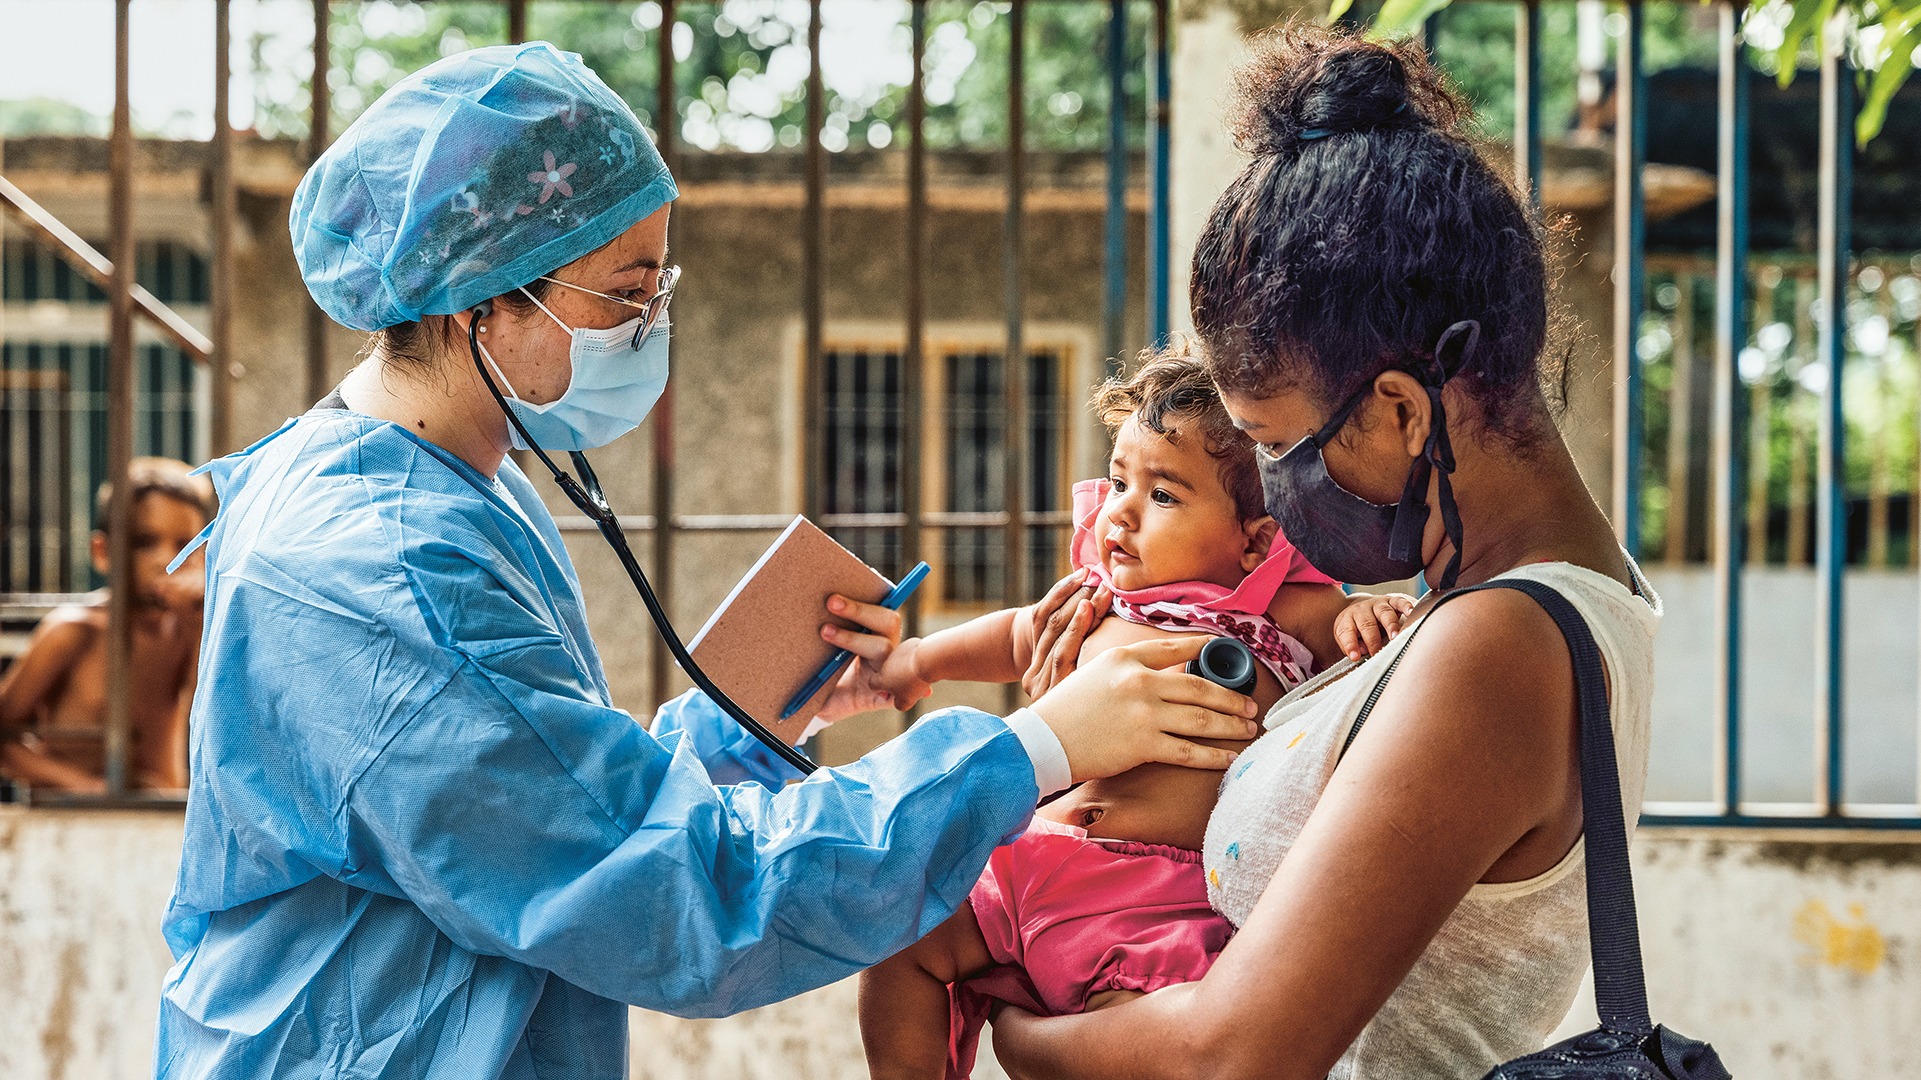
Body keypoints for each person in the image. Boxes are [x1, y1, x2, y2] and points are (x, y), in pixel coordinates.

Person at [155, 42, 1261, 1080]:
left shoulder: (458, 484)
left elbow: (554, 792)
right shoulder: (382, 572)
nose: (649, 326)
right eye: (625, 295)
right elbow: (670, 890)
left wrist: (774, 706)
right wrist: (1034, 747)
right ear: (489, 298)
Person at [985, 26, 1663, 1080]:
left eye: (1269, 446)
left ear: (1397, 409)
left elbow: (1230, 1057)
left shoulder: (1497, 649)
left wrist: (1014, 1024)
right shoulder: (1472, 614)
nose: (1273, 496)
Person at [857, 345, 1412, 1079]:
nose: (1118, 511)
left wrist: (1368, 614)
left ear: (1255, 541)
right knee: (899, 936)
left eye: (1162, 495)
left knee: (1129, 1041)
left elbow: (1353, 632)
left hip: (1148, 906)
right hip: (1024, 867)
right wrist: (914, 663)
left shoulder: (1279, 613)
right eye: (1119, 480)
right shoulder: (1094, 603)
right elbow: (1013, 633)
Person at [0, 457, 211, 794]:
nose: (165, 559)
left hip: (163, 820)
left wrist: (200, 616)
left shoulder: (188, 628)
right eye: (145, 542)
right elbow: (4, 737)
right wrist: (90, 788)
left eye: (183, 545)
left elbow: (223, 714)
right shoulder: (75, 630)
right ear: (103, 552)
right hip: (80, 822)